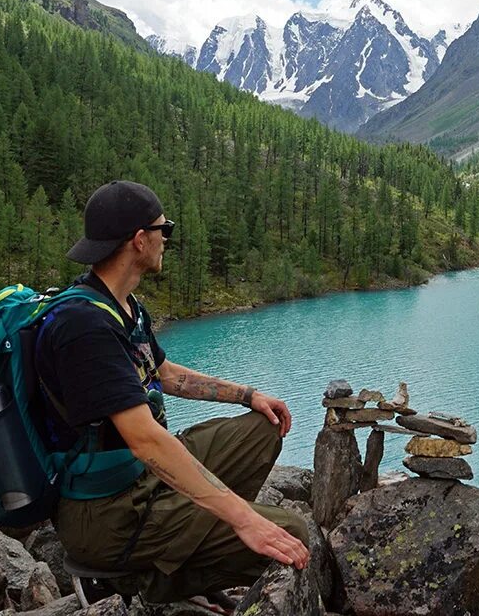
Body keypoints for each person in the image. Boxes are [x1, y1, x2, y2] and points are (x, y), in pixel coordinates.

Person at [36, 180, 309, 604]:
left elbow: (162, 373)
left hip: (140, 479)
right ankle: (138, 584)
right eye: (166, 230)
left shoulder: (122, 305)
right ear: (139, 240)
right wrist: (243, 520)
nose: (168, 239)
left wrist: (247, 395)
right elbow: (145, 440)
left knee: (263, 426)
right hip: (106, 513)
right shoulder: (83, 327)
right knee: (291, 534)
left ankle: (188, 541)